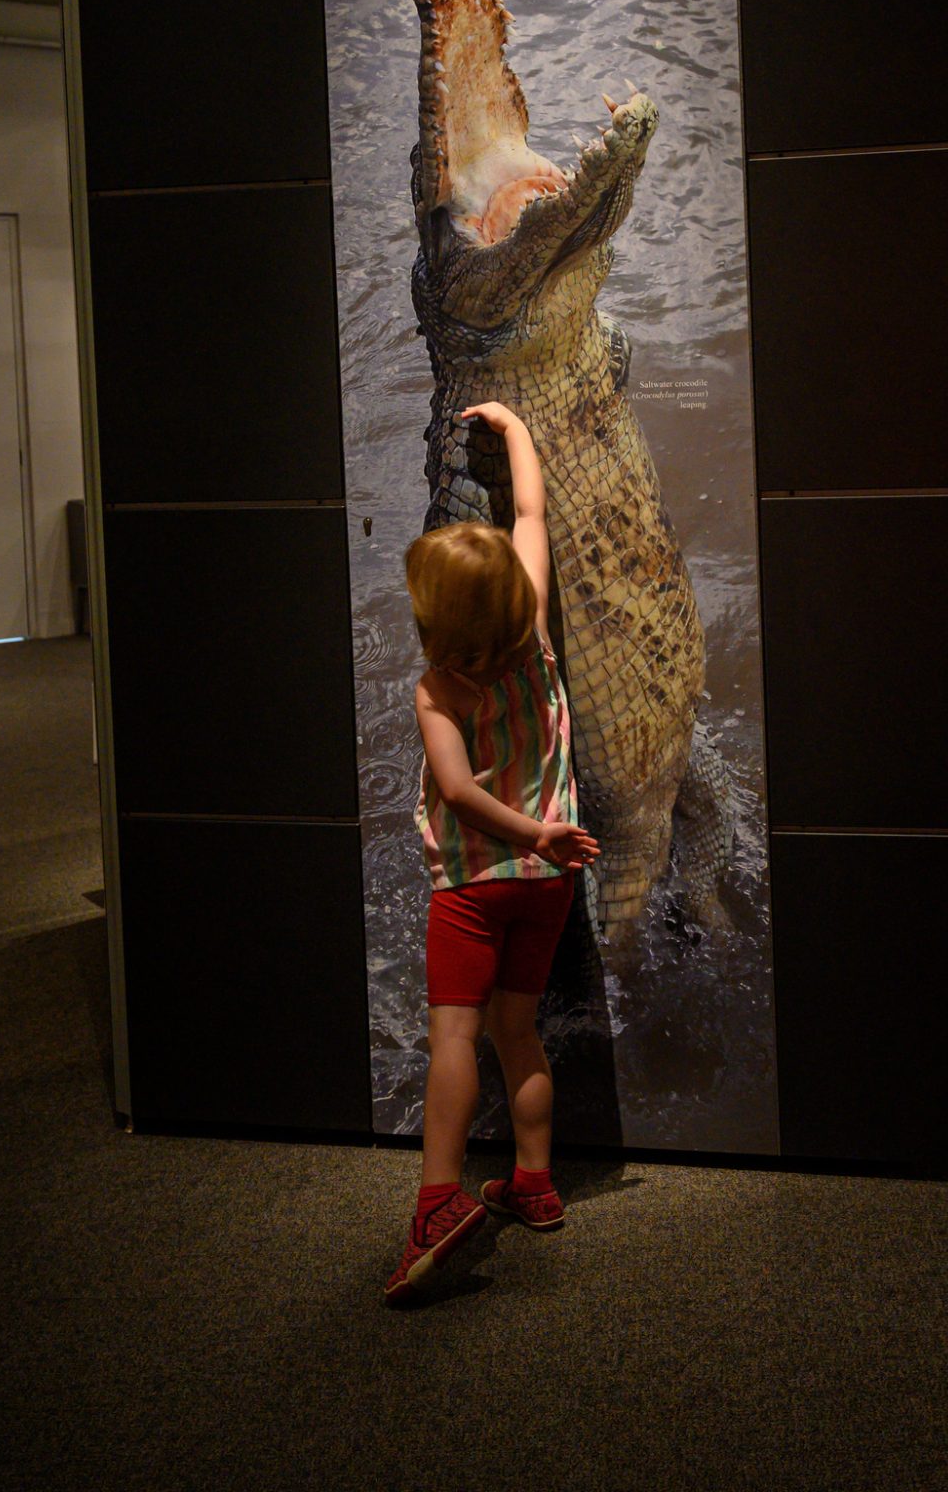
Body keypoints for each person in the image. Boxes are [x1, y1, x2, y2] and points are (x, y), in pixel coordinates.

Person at [385, 401, 600, 1306]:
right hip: (547, 883)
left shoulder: (440, 689)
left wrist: (524, 831)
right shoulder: (537, 639)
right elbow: (532, 515)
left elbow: (459, 789)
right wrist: (514, 432)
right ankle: (535, 1184)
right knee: (520, 1031)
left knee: (456, 1039)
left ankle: (438, 1202)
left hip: (474, 884)